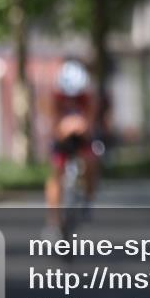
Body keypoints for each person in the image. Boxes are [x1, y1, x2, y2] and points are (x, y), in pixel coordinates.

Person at [44, 57, 102, 234]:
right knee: (56, 173)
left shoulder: (88, 97)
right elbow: (52, 125)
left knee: (93, 161)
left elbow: (90, 125)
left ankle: (88, 200)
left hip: (83, 140)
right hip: (62, 140)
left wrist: (81, 126)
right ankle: (54, 220)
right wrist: (63, 129)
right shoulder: (54, 97)